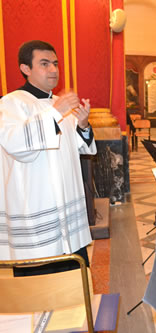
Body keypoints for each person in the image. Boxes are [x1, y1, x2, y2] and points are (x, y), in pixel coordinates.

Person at [0, 40, 96, 272]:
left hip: (67, 207)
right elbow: (16, 144)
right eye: (44, 64)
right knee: (41, 288)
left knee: (75, 280)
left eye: (55, 63)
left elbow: (79, 147)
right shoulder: (11, 103)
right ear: (26, 69)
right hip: (35, 209)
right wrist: (56, 112)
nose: (53, 69)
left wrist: (82, 124)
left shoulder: (58, 104)